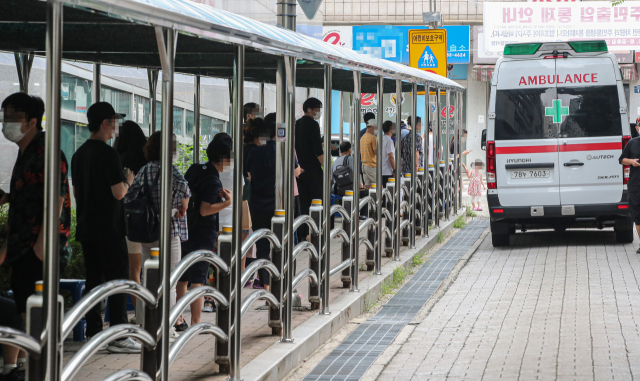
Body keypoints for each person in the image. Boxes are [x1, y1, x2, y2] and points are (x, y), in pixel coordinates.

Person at [0, 93, 71, 379]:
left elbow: (55, 199)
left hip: (38, 248)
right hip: (23, 246)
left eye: (11, 118)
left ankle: (40, 370)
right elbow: (30, 196)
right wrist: (7, 197)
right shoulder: (26, 152)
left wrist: (42, 248)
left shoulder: (48, 152)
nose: (5, 124)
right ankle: (26, 368)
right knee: (24, 308)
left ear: (31, 122)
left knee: (35, 310)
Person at [71, 102, 139, 352]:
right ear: (104, 123)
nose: (116, 128)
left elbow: (77, 191)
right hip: (110, 229)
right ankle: (119, 335)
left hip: (87, 228)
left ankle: (94, 332)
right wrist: (128, 181)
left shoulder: (79, 154)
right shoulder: (108, 154)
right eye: (114, 122)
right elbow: (119, 193)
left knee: (93, 281)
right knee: (117, 281)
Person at [125, 131, 190, 338]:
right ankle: (167, 327)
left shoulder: (144, 171)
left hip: (147, 232)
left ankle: (146, 325)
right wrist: (178, 209)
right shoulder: (173, 172)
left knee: (148, 279)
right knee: (169, 280)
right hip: (168, 231)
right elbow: (185, 198)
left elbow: (130, 197)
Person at [179, 134, 233, 327]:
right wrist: (227, 202)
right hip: (203, 233)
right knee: (198, 278)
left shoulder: (195, 169)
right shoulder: (213, 180)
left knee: (182, 276)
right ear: (224, 158)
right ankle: (196, 321)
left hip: (185, 227)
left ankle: (178, 318)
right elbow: (205, 209)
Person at [113, 121, 148, 313]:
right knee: (150, 269)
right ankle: (154, 312)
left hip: (128, 221)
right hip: (150, 222)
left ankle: (141, 314)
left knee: (133, 270)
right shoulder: (147, 160)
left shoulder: (118, 159)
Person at [246, 119, 277, 290]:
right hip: (277, 205)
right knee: (280, 244)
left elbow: (250, 176)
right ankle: (280, 281)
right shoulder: (281, 151)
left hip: (257, 203)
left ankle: (266, 284)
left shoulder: (254, 153)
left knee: (262, 246)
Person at [295, 98, 324, 242]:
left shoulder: (296, 124)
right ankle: (314, 232)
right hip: (313, 171)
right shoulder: (313, 125)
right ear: (309, 109)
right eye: (318, 108)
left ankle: (301, 233)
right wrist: (327, 168)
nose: (319, 112)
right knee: (317, 202)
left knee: (303, 204)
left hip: (299, 171)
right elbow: (318, 150)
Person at [360, 117, 378, 189]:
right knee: (379, 186)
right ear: (373, 127)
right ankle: (379, 200)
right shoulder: (373, 138)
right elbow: (376, 152)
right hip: (371, 165)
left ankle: (369, 200)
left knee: (367, 186)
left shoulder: (363, 137)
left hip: (364, 166)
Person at [381, 121, 396, 187]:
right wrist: (394, 169)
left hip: (380, 170)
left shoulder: (380, 139)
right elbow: (391, 157)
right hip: (387, 171)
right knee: (388, 192)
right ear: (391, 129)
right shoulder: (389, 141)